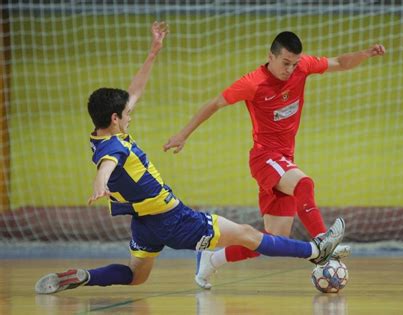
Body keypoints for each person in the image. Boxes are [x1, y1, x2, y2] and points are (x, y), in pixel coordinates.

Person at [34, 22, 346, 295]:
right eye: (127, 114)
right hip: (174, 219)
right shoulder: (114, 149)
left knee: (134, 277)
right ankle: (316, 250)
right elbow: (108, 164)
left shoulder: (101, 135)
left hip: (143, 225)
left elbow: (134, 92)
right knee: (250, 235)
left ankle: (85, 276)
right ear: (115, 118)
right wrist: (99, 184)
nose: (132, 114)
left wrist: (153, 52)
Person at [163, 31, 385, 289]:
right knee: (304, 184)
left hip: (283, 159)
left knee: (270, 241)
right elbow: (215, 104)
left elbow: (340, 63)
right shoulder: (252, 82)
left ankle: (212, 259)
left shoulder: (303, 67)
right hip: (265, 156)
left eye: (294, 63)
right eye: (285, 63)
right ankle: (324, 243)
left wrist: (366, 54)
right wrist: (183, 134)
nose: (290, 69)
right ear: (271, 56)